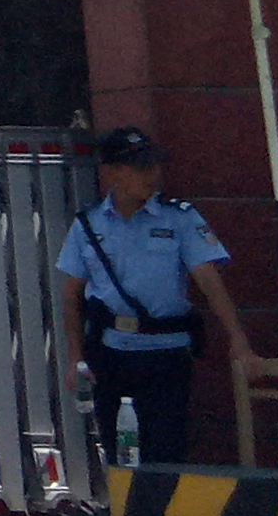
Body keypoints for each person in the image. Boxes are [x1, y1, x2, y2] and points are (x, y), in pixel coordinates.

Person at [60, 126, 253, 469]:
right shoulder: (88, 224)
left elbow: (209, 280)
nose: (152, 176)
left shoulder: (179, 217)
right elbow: (71, 295)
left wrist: (237, 337)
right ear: (113, 172)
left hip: (167, 352)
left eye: (154, 166)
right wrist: (76, 357)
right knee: (118, 450)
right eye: (141, 168)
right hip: (111, 351)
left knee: (165, 450)